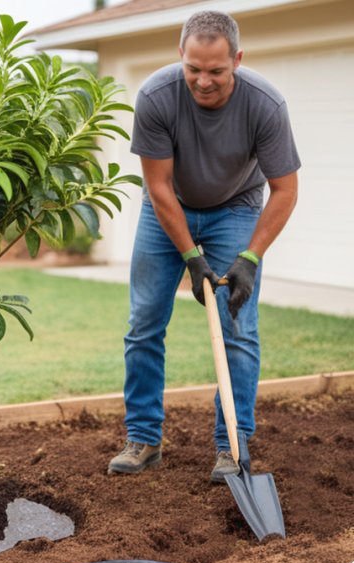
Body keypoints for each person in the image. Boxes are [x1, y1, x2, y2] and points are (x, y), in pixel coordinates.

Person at [108, 11, 300, 482]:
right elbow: (158, 188)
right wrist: (192, 258)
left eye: (216, 70)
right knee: (145, 322)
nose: (204, 80)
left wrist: (250, 258)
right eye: (194, 68)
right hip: (167, 207)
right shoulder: (156, 95)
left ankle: (231, 445)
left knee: (238, 327)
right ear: (181, 56)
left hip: (235, 207)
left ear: (237, 59)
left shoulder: (264, 104)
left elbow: (285, 190)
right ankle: (144, 438)